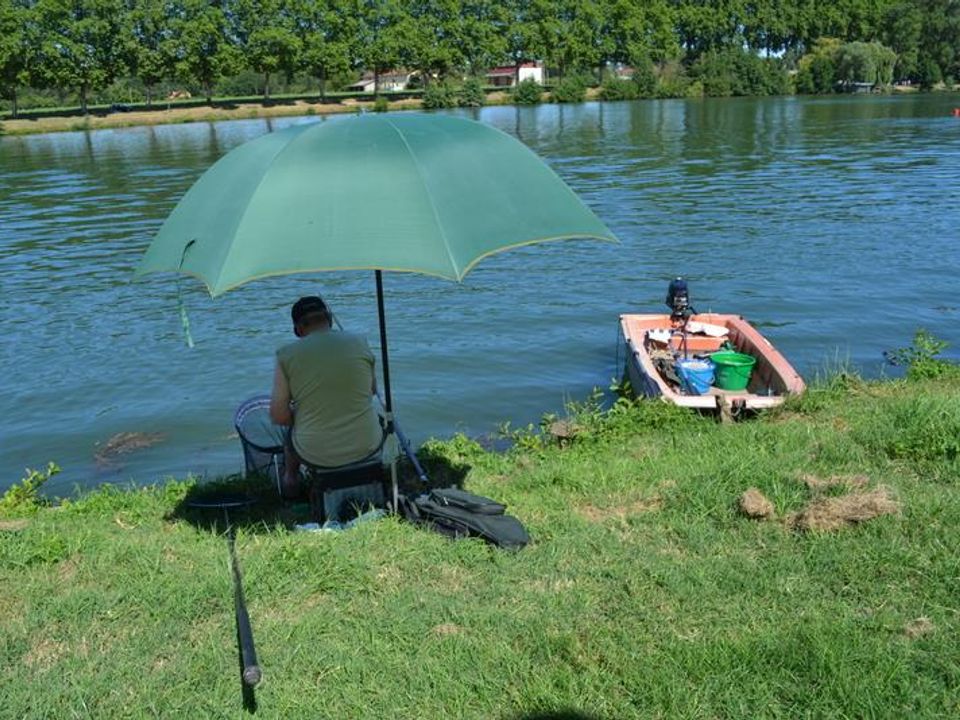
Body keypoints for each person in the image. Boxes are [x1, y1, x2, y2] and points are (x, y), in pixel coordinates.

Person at [270, 296, 382, 499]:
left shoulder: (285, 355)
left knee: (290, 434)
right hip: (368, 444)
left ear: (297, 329)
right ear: (329, 320)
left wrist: (302, 413)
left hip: (316, 452)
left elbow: (279, 416)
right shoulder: (359, 341)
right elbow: (372, 390)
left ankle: (290, 482)